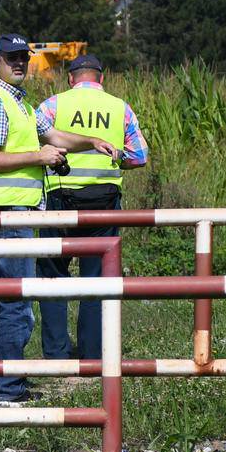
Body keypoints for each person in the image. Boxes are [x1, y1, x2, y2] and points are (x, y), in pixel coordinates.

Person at [0, 35, 119, 406]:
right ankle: (11, 389)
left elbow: (53, 135)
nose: (21, 64)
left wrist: (91, 141)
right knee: (16, 302)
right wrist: (41, 156)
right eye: (13, 58)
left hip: (9, 208)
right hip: (6, 210)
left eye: (25, 58)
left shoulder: (18, 104)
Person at [34, 54, 149, 363]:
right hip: (105, 203)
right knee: (96, 278)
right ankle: (91, 354)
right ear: (102, 78)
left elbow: (33, 143)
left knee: (51, 275)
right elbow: (139, 156)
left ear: (71, 79)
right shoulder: (119, 107)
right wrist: (116, 156)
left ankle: (56, 354)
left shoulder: (52, 105)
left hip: (60, 199)